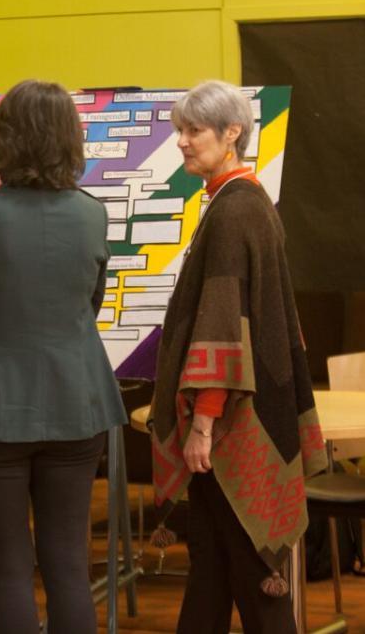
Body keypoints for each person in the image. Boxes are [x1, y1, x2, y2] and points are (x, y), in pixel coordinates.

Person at [0, 79, 127, 633]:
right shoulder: (92, 214)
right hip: (78, 401)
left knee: (9, 569)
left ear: (5, 139)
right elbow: (89, 305)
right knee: (68, 566)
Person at [149, 80, 328, 634]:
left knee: (253, 581)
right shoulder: (244, 201)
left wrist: (203, 422)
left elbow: (224, 327)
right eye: (179, 129)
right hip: (239, 417)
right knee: (212, 570)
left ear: (232, 133)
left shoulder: (233, 212)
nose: (181, 141)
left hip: (232, 427)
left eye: (194, 130)